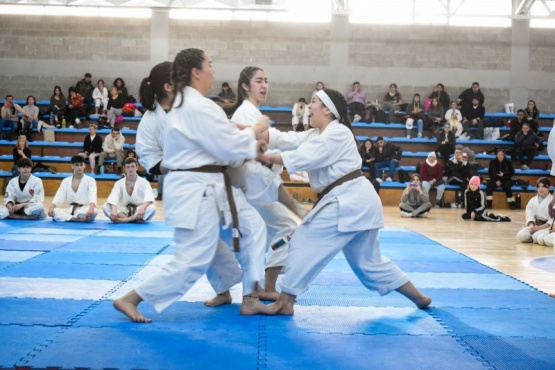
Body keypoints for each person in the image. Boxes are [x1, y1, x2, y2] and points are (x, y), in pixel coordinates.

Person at [113, 48, 273, 323]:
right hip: (197, 191)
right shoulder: (196, 106)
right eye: (210, 64)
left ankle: (250, 297)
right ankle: (131, 297)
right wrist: (256, 129)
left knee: (252, 229)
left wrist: (246, 139)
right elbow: (227, 144)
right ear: (196, 72)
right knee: (194, 260)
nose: (214, 70)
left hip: (208, 187)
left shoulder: (190, 105)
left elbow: (222, 136)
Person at [257, 88, 431, 315]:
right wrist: (258, 135)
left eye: (314, 102)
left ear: (328, 109)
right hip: (356, 200)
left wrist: (267, 157)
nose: (309, 107)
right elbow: (289, 139)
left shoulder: (338, 132)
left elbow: (306, 156)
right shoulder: (315, 134)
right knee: (368, 264)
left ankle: (285, 301)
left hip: (349, 200)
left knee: (303, 240)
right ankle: (419, 297)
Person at [230, 65, 307, 301]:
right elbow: (268, 144)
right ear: (245, 85)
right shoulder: (246, 114)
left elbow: (273, 142)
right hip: (252, 183)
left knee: (260, 237)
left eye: (266, 81)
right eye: (258, 81)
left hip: (256, 183)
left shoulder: (254, 114)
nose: (264, 85)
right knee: (287, 229)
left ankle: (256, 287)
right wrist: (309, 136)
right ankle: (268, 285)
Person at [135, 61, 173, 202]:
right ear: (168, 87)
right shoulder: (150, 121)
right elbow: (152, 163)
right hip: (181, 185)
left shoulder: (192, 106)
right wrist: (177, 159)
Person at [102, 157, 156, 223]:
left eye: (133, 166)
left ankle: (125, 220)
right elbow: (113, 197)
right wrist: (114, 209)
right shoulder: (119, 183)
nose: (130, 169)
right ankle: (131, 219)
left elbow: (149, 197)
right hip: (123, 211)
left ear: (137, 167)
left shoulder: (144, 182)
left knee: (152, 208)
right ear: (124, 168)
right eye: (128, 167)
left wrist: (142, 208)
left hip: (139, 211)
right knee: (105, 206)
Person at [47, 155, 98, 222]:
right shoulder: (66, 181)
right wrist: (52, 207)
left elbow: (92, 194)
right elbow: (59, 196)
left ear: (84, 166)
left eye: (81, 165)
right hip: (70, 210)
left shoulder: (91, 180)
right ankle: (75, 219)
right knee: (55, 211)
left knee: (95, 211)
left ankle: (71, 218)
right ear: (72, 166)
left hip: (84, 210)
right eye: (76, 165)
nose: (79, 167)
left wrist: (91, 208)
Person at [516, 177, 552, 243]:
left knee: (536, 237)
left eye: (543, 186)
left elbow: (551, 221)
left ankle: (541, 237)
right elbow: (529, 215)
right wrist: (531, 226)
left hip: (547, 227)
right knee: (521, 235)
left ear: (549, 188)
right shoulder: (533, 200)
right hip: (535, 225)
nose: (540, 189)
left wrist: (539, 228)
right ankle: (536, 237)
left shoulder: (552, 201)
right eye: (538, 187)